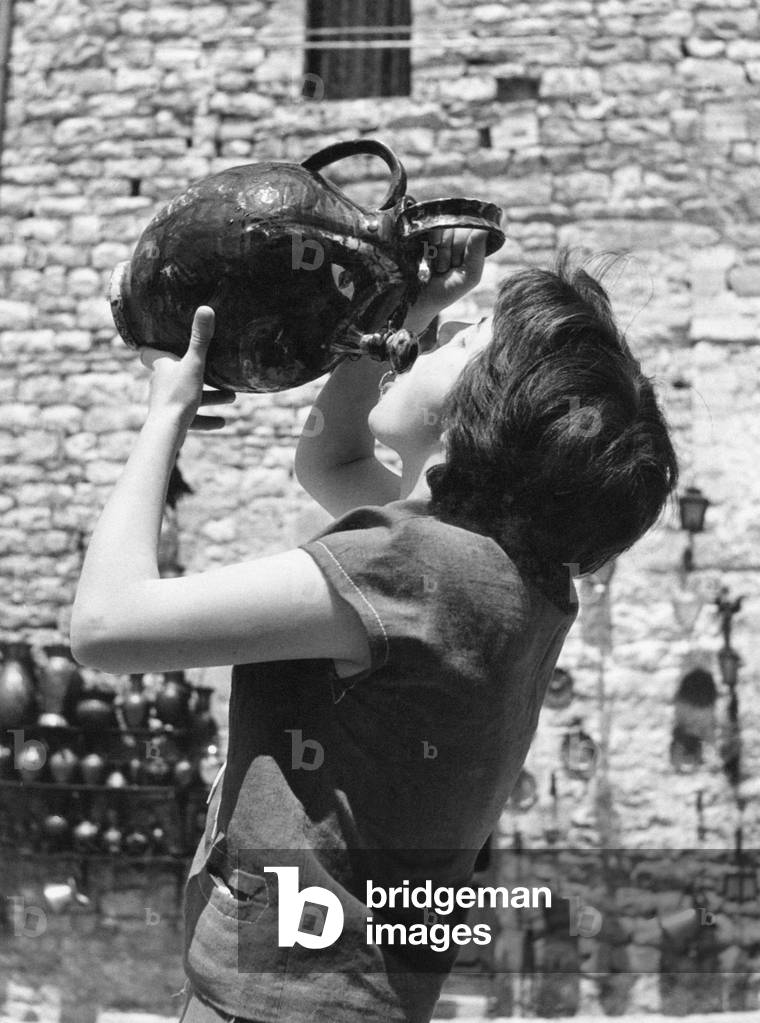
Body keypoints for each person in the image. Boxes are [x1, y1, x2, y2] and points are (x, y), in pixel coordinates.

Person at [71, 229, 678, 1023]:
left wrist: (167, 415)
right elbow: (329, 462)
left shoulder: (412, 569)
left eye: (465, 339)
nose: (441, 334)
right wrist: (402, 308)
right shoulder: (511, 581)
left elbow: (106, 622)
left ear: (483, 410)